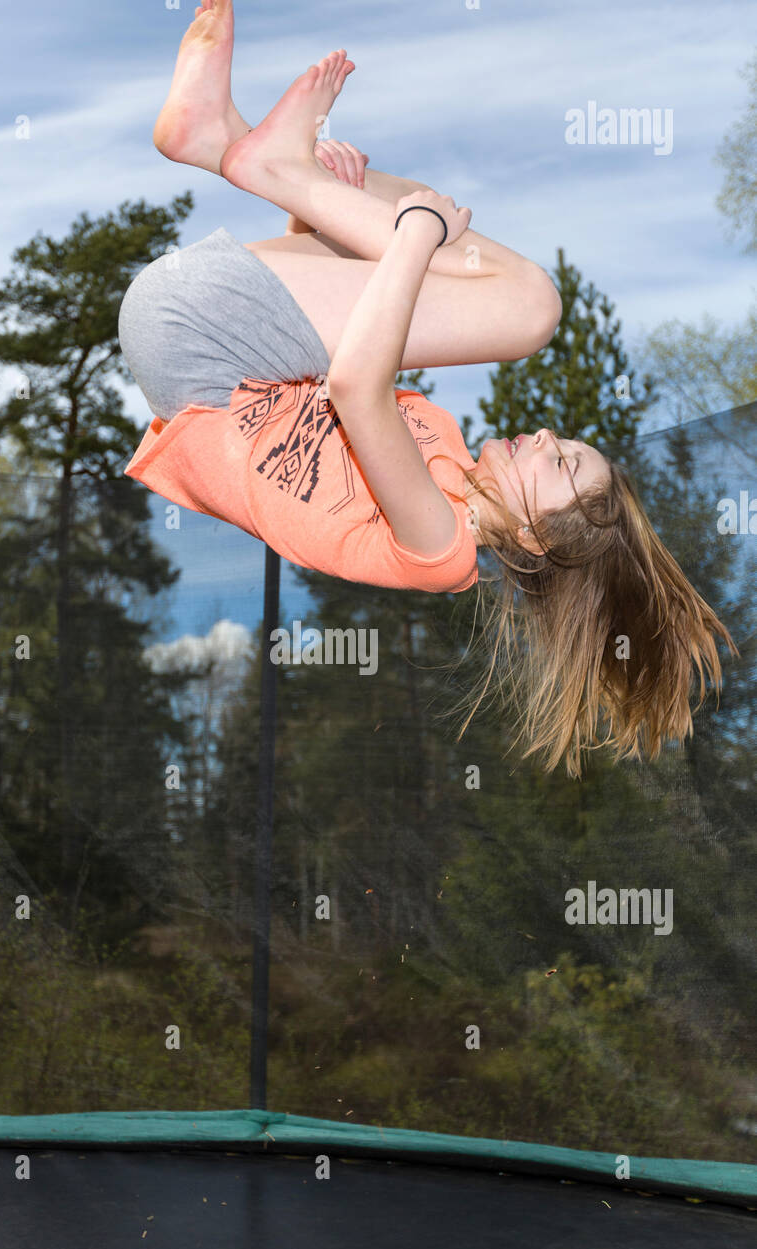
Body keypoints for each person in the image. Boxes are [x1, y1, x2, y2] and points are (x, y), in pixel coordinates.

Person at [119, 0, 735, 777]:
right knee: (484, 285)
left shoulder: (443, 549)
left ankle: (261, 157)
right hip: (209, 335)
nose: (547, 438)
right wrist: (330, 227)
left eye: (562, 464)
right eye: (566, 444)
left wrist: (414, 231)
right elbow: (318, 372)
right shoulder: (440, 441)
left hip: (199, 348)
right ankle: (234, 146)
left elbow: (353, 385)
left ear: (538, 537)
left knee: (528, 304)